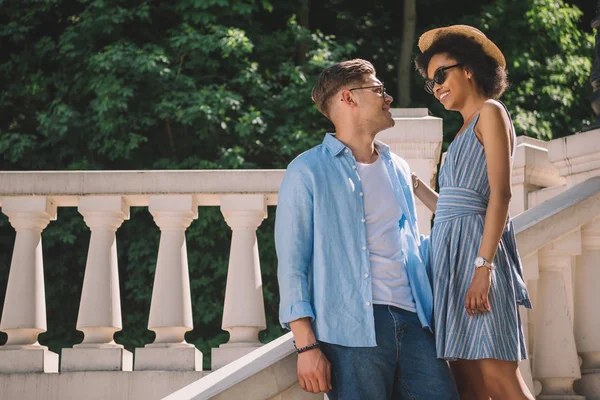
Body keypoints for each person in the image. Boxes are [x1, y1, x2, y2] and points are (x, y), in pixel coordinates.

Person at [275, 59, 459, 400]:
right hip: (349, 331)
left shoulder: (399, 167)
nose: (388, 98)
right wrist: (306, 346)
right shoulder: (306, 171)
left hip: (415, 320)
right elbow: (292, 263)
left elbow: (410, 245)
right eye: (378, 90)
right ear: (349, 98)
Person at [412, 25, 534, 400]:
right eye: (431, 83)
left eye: (441, 75)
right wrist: (415, 187)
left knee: (499, 377)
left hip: (478, 261)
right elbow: (452, 207)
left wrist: (484, 268)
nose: (437, 87)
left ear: (468, 69)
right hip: (448, 264)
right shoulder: (461, 131)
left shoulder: (490, 113)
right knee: (467, 385)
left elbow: (501, 194)